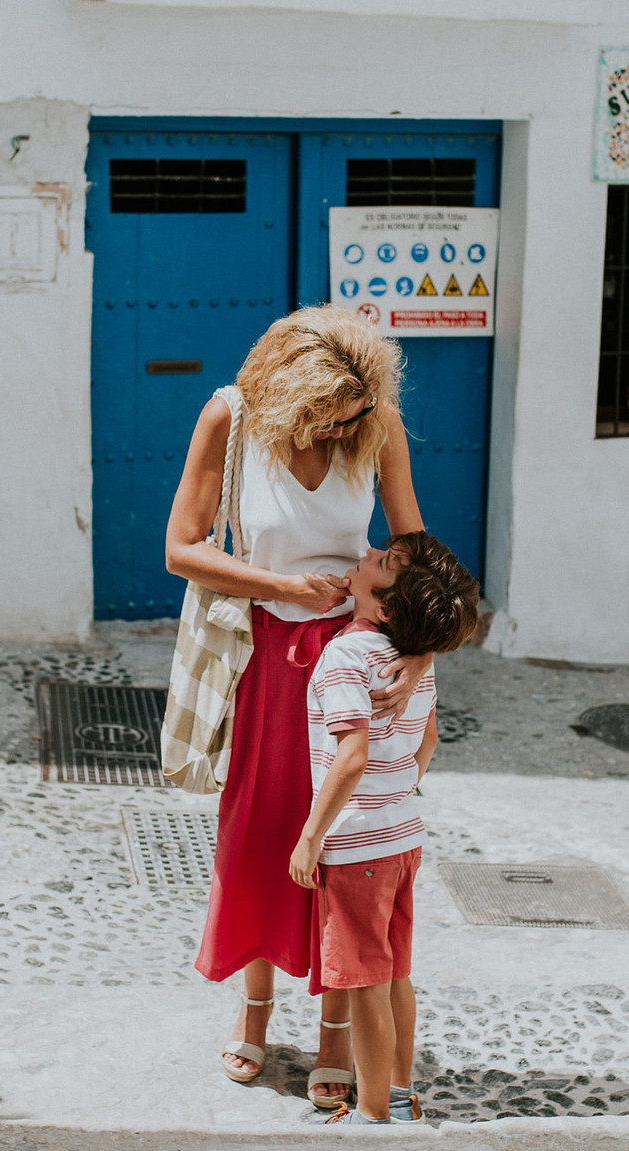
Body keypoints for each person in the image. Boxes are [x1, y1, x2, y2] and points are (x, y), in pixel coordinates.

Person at [164, 305, 432, 1107]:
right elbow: (183, 547)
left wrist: (419, 652)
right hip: (267, 661)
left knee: (342, 845)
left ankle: (334, 1037)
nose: (345, 425)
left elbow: (412, 540)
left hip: (352, 656)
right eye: (331, 414)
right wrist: (281, 586)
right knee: (261, 833)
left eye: (356, 412)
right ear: (293, 395)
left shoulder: (375, 419)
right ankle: (252, 1016)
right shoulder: (230, 417)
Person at [288, 531, 480, 1125]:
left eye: (380, 563)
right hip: (403, 838)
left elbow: (349, 757)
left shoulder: (346, 657)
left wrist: (312, 835)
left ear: (386, 606)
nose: (365, 555)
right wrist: (398, 789)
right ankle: (400, 1090)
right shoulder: (408, 661)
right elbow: (430, 738)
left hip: (356, 847)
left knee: (366, 980)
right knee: (395, 971)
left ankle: (372, 1113)